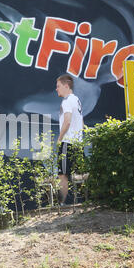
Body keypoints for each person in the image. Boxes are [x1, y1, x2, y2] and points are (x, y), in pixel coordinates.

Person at [56, 74, 84, 206]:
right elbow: (81, 123)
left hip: (68, 142)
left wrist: (59, 139)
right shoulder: (77, 100)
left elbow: (66, 122)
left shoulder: (67, 101)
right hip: (77, 143)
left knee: (63, 174)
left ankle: (63, 203)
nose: (56, 89)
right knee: (79, 173)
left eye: (58, 86)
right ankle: (84, 200)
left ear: (66, 86)